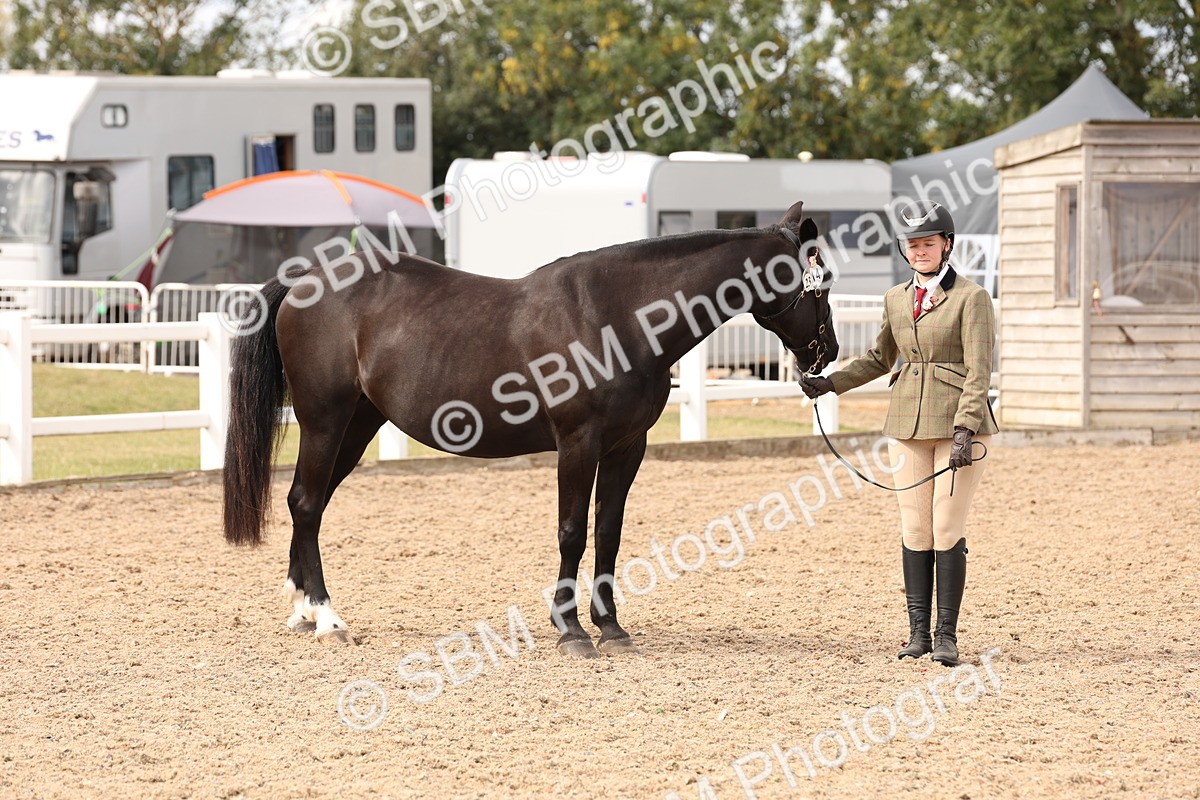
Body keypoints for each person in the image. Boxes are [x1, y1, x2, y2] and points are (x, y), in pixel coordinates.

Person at [799, 200, 998, 667]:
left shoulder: (972, 298)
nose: (921, 251)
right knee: (915, 528)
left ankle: (946, 635)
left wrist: (966, 427)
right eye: (914, 245)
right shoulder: (894, 298)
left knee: (947, 528)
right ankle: (918, 635)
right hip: (907, 420)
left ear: (947, 245)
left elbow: (979, 370)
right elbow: (878, 358)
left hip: (958, 427)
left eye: (929, 243)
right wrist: (831, 383)